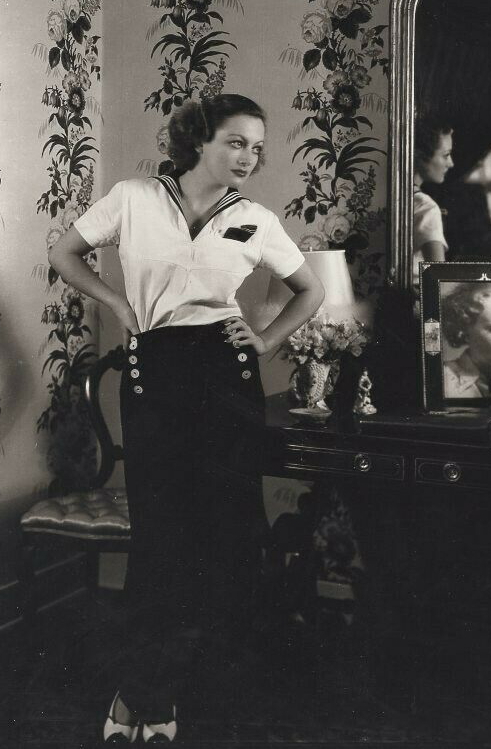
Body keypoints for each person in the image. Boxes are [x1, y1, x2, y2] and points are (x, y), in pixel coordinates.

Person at [49, 94, 325, 744]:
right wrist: (118, 302)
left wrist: (263, 337)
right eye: (236, 143)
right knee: (163, 537)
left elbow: (308, 290)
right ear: (198, 138)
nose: (249, 157)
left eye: (258, 147)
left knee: (226, 538)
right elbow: (65, 254)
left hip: (228, 381)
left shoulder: (254, 218)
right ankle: (142, 694)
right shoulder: (134, 199)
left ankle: (183, 694)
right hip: (158, 374)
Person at [412, 116, 454, 284]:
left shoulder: (400, 199)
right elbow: (439, 281)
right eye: (446, 155)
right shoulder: (425, 207)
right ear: (421, 157)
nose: (451, 163)